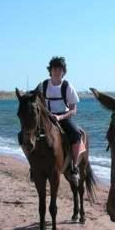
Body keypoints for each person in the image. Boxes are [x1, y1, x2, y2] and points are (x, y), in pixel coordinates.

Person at [39, 56, 81, 184]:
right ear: (50, 70)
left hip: (62, 118)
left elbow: (73, 110)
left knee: (76, 134)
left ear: (63, 71)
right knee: (28, 135)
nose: (57, 71)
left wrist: (60, 117)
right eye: (55, 68)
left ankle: (74, 167)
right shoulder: (43, 85)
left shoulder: (67, 86)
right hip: (46, 118)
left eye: (60, 69)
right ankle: (33, 166)